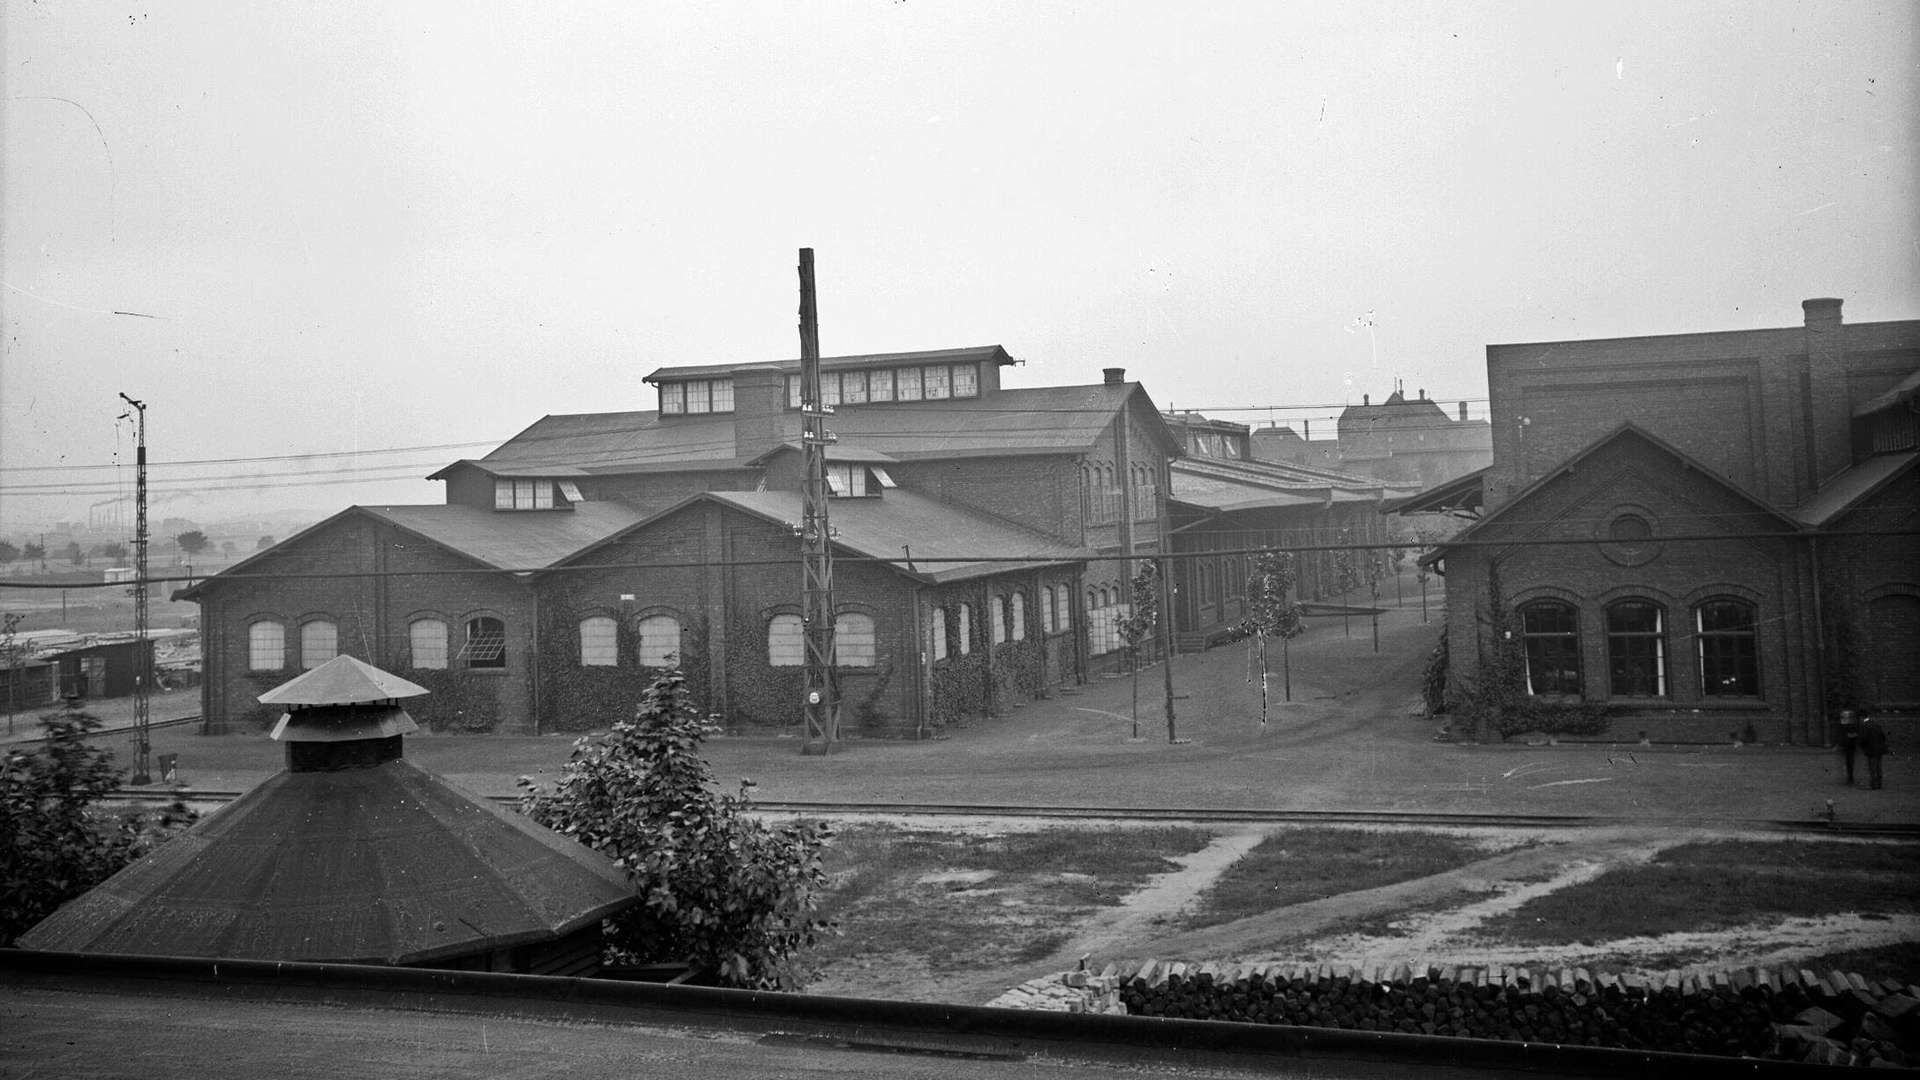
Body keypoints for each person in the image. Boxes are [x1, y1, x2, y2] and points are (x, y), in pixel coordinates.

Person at [1858, 713, 1889, 790]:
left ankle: (1874, 785)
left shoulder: (1864, 726)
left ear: (1862, 718)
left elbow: (1863, 738)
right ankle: (1879, 784)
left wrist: (1862, 747)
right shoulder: (1876, 724)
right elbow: (1883, 736)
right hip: (1879, 748)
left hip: (1871, 749)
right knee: (1878, 767)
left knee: (1873, 768)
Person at [1837, 709, 1861, 785]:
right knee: (1849, 763)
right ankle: (1850, 778)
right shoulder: (1846, 726)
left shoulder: (1849, 726)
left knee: (1850, 763)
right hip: (1849, 747)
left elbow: (1852, 735)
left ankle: (1850, 778)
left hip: (1849, 747)